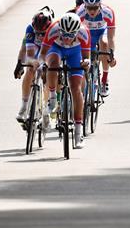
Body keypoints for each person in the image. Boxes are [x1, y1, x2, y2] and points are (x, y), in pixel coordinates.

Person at [39, 12, 91, 148]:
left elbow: (86, 56)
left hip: (75, 52)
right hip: (56, 49)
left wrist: (86, 62)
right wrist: (41, 63)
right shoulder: (54, 29)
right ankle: (52, 98)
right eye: (64, 34)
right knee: (53, 64)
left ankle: (78, 133)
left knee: (76, 89)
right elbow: (43, 53)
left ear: (76, 32)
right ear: (60, 30)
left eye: (70, 35)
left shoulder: (84, 32)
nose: (67, 38)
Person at [13, 6, 55, 123]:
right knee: (31, 69)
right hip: (35, 49)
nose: (41, 35)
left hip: (49, 50)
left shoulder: (54, 29)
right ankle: (24, 106)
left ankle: (47, 107)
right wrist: (20, 64)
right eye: (38, 33)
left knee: (48, 72)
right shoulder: (30, 29)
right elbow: (27, 53)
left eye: (43, 33)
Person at [75, 0, 117, 97]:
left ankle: (104, 80)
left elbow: (111, 37)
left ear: (100, 5)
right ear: (84, 6)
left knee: (104, 42)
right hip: (86, 34)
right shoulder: (80, 12)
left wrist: (111, 55)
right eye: (89, 8)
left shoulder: (108, 12)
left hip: (101, 32)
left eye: (95, 8)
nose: (92, 11)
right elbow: (76, 36)